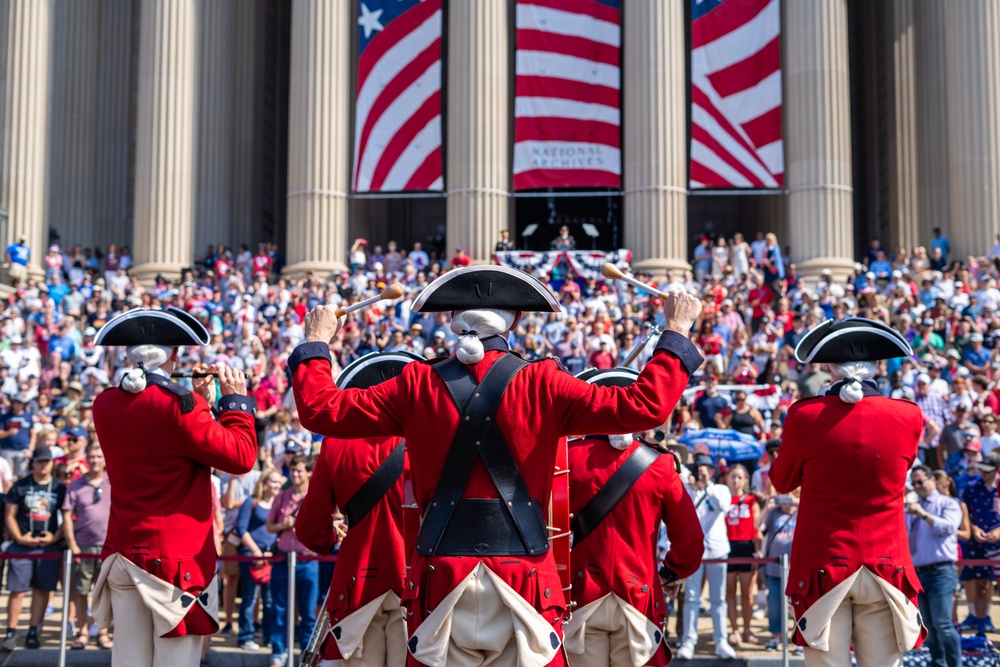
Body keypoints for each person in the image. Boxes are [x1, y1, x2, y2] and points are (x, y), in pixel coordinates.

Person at [288, 264, 704, 666]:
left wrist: (317, 341)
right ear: (514, 322)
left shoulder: (416, 383)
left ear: (453, 319)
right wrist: (676, 332)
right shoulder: (543, 381)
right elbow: (646, 404)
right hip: (524, 578)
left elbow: (320, 409)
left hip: (441, 577)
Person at [90, 307, 258, 667]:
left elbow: (169, 442)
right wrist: (233, 402)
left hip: (123, 551)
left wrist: (200, 403)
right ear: (174, 355)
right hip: (174, 565)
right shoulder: (181, 406)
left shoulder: (104, 403)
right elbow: (241, 456)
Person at [770, 317, 925, 667]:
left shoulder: (804, 416)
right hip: (887, 565)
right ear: (876, 367)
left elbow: (781, 481)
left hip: (823, 569)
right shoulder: (908, 415)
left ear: (829, 369)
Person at [563, 368, 704, 667]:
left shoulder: (566, 457)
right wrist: (671, 573)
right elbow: (690, 541)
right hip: (639, 596)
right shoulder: (661, 464)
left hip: (580, 595)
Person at [296, 351, 422, 667]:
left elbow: (311, 530)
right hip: (419, 586)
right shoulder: (429, 441)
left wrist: (331, 538)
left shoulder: (335, 444)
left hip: (356, 585)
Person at [2, 445, 66, 650]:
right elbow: (9, 515)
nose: (43, 464)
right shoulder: (20, 486)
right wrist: (19, 537)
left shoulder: (59, 487)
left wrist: (55, 536)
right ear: (33, 463)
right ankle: (10, 632)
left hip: (48, 547)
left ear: (52, 462)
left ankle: (33, 630)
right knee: (17, 590)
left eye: (47, 461)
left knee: (41, 590)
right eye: (39, 461)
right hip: (21, 547)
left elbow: (68, 516)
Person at [677, 454, 735, 660]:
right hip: (695, 552)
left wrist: (707, 485)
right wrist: (694, 486)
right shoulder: (689, 492)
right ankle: (688, 641)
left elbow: (723, 506)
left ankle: (722, 641)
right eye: (700, 469)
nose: (703, 472)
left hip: (717, 550)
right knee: (692, 598)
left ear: (712, 471)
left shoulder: (721, 489)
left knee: (718, 599)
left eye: (707, 469)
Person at [906, 464, 962, 667]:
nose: (917, 486)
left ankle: (955, 665)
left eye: (920, 481)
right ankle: (938, 663)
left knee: (943, 624)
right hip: (919, 573)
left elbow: (949, 527)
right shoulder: (914, 508)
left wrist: (922, 514)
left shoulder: (948, 503)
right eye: (914, 484)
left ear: (932, 480)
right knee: (928, 625)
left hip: (941, 571)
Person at [266, 454, 318, 667]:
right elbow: (270, 526)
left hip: (307, 560)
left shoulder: (314, 497)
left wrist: (301, 525)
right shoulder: (282, 497)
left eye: (299, 471)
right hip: (283, 560)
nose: (295, 474)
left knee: (307, 612)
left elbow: (328, 523)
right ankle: (278, 654)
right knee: (279, 610)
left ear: (308, 473)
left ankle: (306, 656)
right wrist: (283, 525)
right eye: (292, 470)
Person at [63, 442, 113, 651]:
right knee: (80, 591)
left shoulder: (114, 481)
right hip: (83, 546)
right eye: (91, 457)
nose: (95, 460)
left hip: (108, 547)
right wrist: (72, 544)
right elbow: (67, 515)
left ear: (104, 459)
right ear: (86, 459)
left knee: (105, 593)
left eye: (99, 457)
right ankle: (83, 630)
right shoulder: (76, 485)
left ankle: (102, 631)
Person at [235, 469, 282, 652]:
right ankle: (245, 636)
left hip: (271, 557)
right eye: (273, 482)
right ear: (264, 482)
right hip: (250, 555)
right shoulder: (251, 502)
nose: (276, 486)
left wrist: (271, 552)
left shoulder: (279, 504)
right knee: (249, 597)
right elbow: (241, 528)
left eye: (279, 483)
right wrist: (256, 551)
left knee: (269, 600)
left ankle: (268, 636)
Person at [958, 450, 1000, 636]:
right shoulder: (971, 487)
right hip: (978, 544)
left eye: (988, 470)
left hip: (998, 545)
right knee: (981, 584)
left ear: (997, 470)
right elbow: (964, 515)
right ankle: (982, 630)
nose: (984, 473)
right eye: (982, 469)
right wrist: (973, 528)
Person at [724, 464, 759, 648]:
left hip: (746, 547)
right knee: (730, 593)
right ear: (727, 478)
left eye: (739, 477)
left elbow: (758, 528)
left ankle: (747, 629)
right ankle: (735, 629)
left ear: (745, 480)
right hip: (727, 547)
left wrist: (758, 551)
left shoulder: (751, 500)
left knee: (747, 594)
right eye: (733, 476)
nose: (736, 480)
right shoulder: (722, 499)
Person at [759, 490, 798, 652]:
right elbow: (757, 526)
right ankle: (775, 636)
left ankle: (798, 640)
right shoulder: (774, 513)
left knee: (797, 606)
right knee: (774, 604)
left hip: (796, 569)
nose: (784, 499)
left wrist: (795, 502)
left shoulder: (801, 510)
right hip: (774, 567)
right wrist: (767, 508)